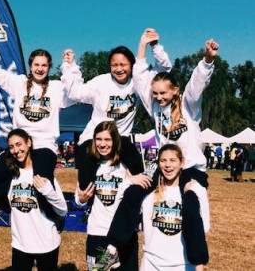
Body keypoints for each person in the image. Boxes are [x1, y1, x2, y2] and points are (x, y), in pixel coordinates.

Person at [96, 32, 218, 269]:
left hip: (190, 170)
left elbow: (196, 84)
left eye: (164, 93)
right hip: (165, 168)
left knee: (191, 206)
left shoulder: (188, 107)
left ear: (174, 91)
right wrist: (142, 44)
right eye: (156, 94)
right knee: (132, 194)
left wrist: (207, 60)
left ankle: (198, 262)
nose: (159, 97)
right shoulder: (155, 108)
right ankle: (112, 250)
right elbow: (140, 75)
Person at [0, 30, 74, 188]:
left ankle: (51, 212)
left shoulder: (56, 88)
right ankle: (12, 210)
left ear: (49, 67)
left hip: (44, 146)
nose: (40, 69)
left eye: (44, 65)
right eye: (36, 64)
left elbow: (75, 92)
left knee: (43, 186)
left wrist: (69, 66)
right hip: (19, 145)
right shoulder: (19, 83)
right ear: (30, 66)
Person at [60, 29, 171, 170]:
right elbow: (74, 93)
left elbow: (164, 69)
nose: (119, 69)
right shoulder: (100, 82)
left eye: (123, 65)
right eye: (114, 65)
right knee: (86, 179)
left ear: (132, 65)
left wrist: (155, 45)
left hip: (120, 140)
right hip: (94, 139)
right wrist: (70, 66)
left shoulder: (138, 83)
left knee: (138, 171)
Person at [0, 129, 68, 271]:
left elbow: (63, 210)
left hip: (46, 244)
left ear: (28, 143)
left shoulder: (42, 173)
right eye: (11, 147)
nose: (16, 150)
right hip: (20, 245)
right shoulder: (11, 176)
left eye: (19, 144)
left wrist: (47, 191)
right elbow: (4, 205)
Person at [75, 121, 150, 271]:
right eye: (99, 139)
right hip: (98, 232)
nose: (102, 144)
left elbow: (139, 193)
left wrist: (130, 181)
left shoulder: (125, 166)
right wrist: (81, 199)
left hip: (124, 234)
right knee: (98, 270)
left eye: (107, 139)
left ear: (115, 141)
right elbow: (79, 198)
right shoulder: (90, 165)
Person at [140, 144, 210, 271]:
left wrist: (198, 190)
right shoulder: (149, 193)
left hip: (183, 265)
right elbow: (133, 221)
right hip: (151, 264)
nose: (167, 165)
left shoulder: (191, 192)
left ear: (181, 163)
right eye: (163, 160)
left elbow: (204, 227)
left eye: (173, 160)